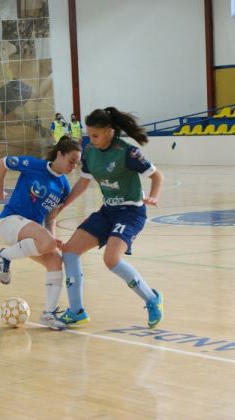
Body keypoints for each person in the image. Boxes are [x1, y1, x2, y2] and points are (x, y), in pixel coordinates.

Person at [57, 107, 164, 329]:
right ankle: (76, 311)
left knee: (111, 259)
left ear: (109, 131)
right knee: (69, 251)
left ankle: (152, 299)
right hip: (107, 211)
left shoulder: (127, 152)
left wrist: (153, 196)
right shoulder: (89, 151)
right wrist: (61, 205)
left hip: (131, 213)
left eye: (95, 135)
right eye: (89, 134)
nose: (91, 139)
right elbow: (84, 182)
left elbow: (157, 175)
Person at [0, 136, 81, 330]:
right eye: (71, 161)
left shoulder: (63, 186)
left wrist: (50, 239)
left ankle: (48, 314)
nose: (74, 166)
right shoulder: (33, 165)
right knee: (48, 244)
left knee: (55, 261)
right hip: (10, 221)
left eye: (77, 163)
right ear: (60, 154)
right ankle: (3, 256)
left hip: (30, 232)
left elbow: (51, 217)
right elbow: (2, 163)